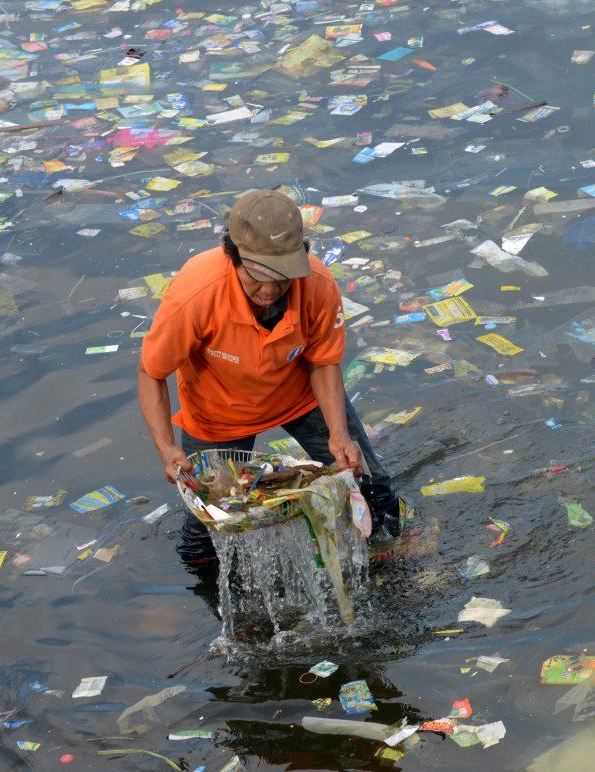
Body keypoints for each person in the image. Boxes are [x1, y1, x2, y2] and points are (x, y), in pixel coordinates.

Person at [136, 189, 402, 569]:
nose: (269, 290)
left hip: (301, 395)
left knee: (371, 484)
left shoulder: (318, 285)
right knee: (210, 525)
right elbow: (151, 372)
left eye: (282, 278)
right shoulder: (195, 293)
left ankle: (391, 562)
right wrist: (166, 448)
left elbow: (324, 363)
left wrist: (338, 434)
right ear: (233, 256)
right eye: (257, 277)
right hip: (219, 412)